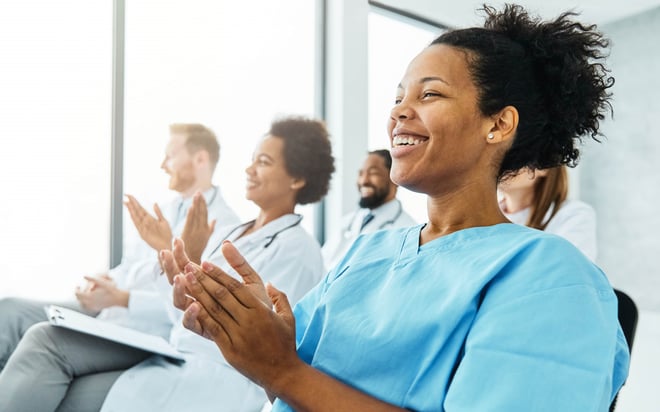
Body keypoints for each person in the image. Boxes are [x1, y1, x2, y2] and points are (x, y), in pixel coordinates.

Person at [171, 5, 630, 411]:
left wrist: (282, 369)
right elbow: (296, 389)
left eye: (428, 95)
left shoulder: (549, 276)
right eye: (397, 98)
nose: (398, 114)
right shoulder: (365, 254)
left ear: (499, 124)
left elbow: (290, 376)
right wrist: (242, 330)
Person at [0, 116, 335, 412]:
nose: (248, 169)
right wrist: (178, 271)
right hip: (177, 348)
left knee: (60, 383)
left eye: (262, 162)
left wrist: (182, 269)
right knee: (45, 340)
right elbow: (184, 311)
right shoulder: (235, 231)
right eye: (251, 160)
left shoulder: (299, 251)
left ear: (297, 179)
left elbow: (261, 341)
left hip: (215, 375)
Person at [0, 122, 240, 370]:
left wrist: (122, 298)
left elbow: (192, 308)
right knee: (8, 311)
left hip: (144, 329)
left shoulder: (224, 226)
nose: (162, 165)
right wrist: (102, 281)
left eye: (170, 156)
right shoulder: (164, 211)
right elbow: (131, 266)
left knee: (41, 343)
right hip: (105, 310)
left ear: (200, 159)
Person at [322, 149, 416, 271]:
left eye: (373, 173)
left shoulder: (407, 230)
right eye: (361, 174)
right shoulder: (347, 222)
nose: (364, 181)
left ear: (395, 177)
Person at [498, 165, 598, 261]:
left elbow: (569, 270)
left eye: (514, 155)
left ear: (543, 165)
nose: (501, 165)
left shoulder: (574, 215)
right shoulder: (487, 219)